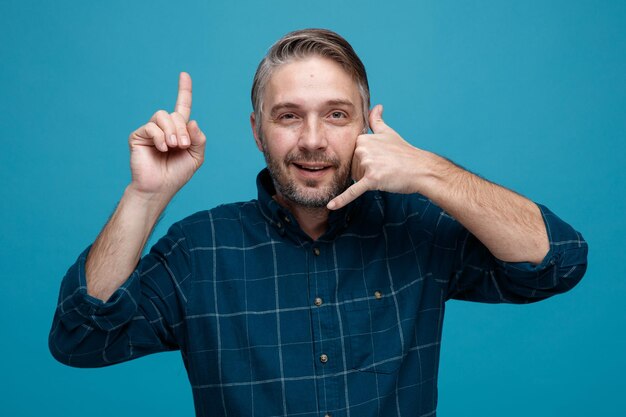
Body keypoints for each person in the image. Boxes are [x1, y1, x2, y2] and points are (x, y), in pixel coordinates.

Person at [49, 29, 588, 417]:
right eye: (288, 116)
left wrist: (428, 170)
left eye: (336, 114)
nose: (312, 139)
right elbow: (80, 339)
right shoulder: (200, 249)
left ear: (365, 125)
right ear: (258, 132)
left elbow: (556, 262)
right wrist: (145, 197)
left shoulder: (417, 229)